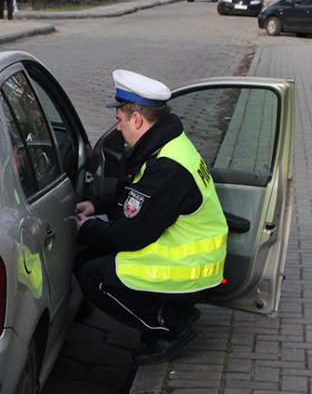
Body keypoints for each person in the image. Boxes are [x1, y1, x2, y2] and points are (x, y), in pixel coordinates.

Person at [74, 70, 228, 365]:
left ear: (137, 120)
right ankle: (175, 310)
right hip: (188, 255)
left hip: (190, 269)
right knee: (92, 256)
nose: (117, 128)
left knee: (93, 275)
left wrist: (85, 229)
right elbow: (135, 195)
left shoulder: (167, 167)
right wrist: (96, 205)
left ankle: (172, 327)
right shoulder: (168, 144)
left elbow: (130, 235)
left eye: (119, 120)